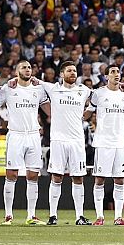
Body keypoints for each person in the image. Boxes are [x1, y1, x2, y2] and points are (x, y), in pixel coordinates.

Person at [0, 60, 49, 225]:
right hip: (15, 134)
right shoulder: (9, 88)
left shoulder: (38, 89)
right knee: (11, 174)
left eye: (29, 67)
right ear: (16, 71)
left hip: (33, 135)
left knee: (33, 175)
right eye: (23, 67)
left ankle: (31, 215)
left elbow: (48, 109)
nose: (27, 70)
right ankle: (8, 215)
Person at [44, 61, 93, 226]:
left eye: (74, 71)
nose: (73, 73)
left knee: (78, 177)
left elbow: (102, 94)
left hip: (77, 140)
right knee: (56, 177)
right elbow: (31, 82)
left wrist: (119, 86)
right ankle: (52, 215)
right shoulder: (53, 89)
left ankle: (79, 216)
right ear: (62, 74)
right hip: (58, 140)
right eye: (69, 71)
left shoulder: (84, 90)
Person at [91, 66, 124, 225]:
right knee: (99, 179)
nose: (117, 74)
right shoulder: (98, 93)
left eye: (118, 72)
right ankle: (100, 216)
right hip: (103, 143)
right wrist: (90, 126)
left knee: (120, 180)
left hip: (120, 143)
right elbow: (89, 112)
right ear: (106, 76)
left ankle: (118, 217)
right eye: (113, 72)